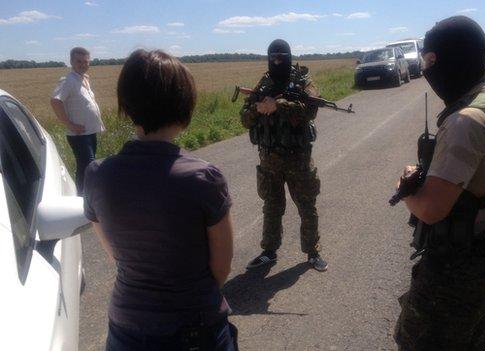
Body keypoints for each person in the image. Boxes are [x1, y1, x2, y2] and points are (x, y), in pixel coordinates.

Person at [394, 16, 485, 350]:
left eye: (431, 62)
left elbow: (430, 210)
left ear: (452, 59)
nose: (427, 72)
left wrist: (406, 188)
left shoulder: (466, 120)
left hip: (457, 268)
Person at [83, 49, 238, 351]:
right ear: (184, 104)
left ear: (126, 106)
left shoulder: (96, 174)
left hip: (126, 328)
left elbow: (117, 253)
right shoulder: (204, 178)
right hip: (194, 328)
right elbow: (221, 267)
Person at [241, 39, 328, 272]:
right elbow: (244, 118)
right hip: (269, 159)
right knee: (271, 206)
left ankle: (313, 251)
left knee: (306, 204)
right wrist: (256, 109)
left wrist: (279, 105)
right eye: (273, 57)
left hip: (297, 157)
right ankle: (269, 251)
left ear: (289, 57)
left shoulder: (302, 81)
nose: (277, 61)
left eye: (281, 57)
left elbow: (311, 109)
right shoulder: (264, 82)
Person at [50, 46, 104, 195]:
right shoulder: (68, 80)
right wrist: (69, 124)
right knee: (87, 166)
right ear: (71, 62)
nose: (83, 64)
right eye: (79, 61)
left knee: (86, 166)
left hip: (89, 131)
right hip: (79, 134)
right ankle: (83, 198)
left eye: (86, 61)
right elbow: (55, 101)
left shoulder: (83, 80)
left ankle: (86, 196)